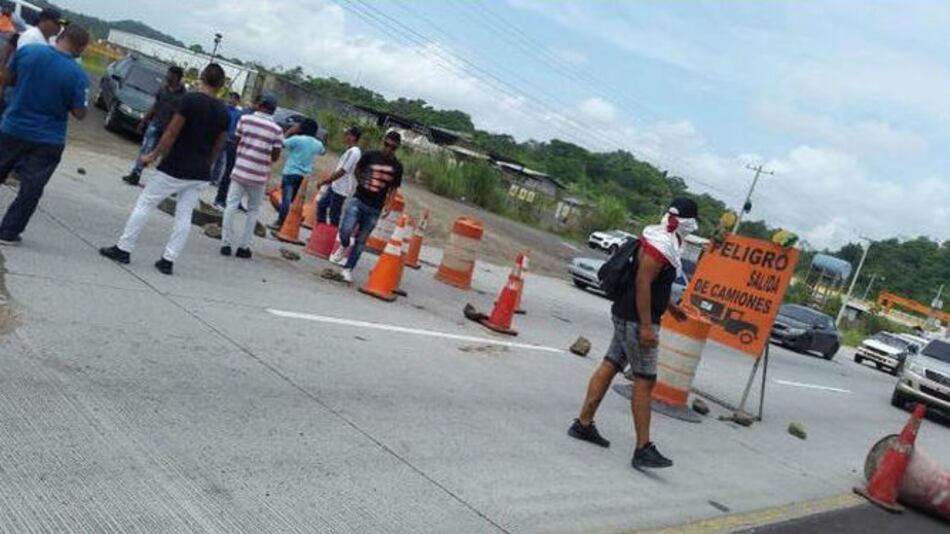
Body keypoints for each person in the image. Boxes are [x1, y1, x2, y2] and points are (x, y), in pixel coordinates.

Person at [567, 198, 700, 471]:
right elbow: (642, 281)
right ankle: (643, 448)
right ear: (686, 221)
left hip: (628, 314)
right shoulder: (660, 244)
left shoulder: (662, 236)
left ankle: (583, 423)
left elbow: (650, 283)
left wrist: (670, 307)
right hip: (638, 321)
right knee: (645, 381)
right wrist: (648, 326)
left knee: (611, 363)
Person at [99, 64, 229, 275]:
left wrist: (153, 154)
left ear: (202, 77)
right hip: (200, 171)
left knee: (146, 203)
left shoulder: (189, 101)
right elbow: (218, 145)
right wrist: (207, 165)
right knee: (184, 215)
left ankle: (124, 247)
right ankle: (168, 259)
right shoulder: (224, 112)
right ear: (221, 85)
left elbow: (171, 133)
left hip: (176, 164)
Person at [0, 25, 89, 246]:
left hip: (13, 127)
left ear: (60, 37)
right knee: (31, 188)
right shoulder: (78, 75)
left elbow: (8, 78)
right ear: (80, 48)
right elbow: (80, 113)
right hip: (49, 138)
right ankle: (8, 233)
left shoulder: (29, 52)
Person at [322, 130, 403, 283]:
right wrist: (362, 183)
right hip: (358, 200)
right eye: (386, 145)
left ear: (397, 148)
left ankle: (347, 269)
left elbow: (393, 188)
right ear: (383, 142)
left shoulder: (397, 167)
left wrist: (389, 205)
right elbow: (358, 169)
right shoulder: (370, 156)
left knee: (361, 242)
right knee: (345, 230)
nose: (388, 149)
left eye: (392, 147)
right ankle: (344, 245)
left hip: (375, 208)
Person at [219, 93, 283, 259]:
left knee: (231, 205)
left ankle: (225, 244)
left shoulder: (245, 119)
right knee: (253, 211)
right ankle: (244, 247)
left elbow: (237, 141)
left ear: (260, 105)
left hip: (240, 169)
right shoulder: (277, 130)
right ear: (273, 110)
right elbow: (275, 156)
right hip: (259, 175)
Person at [122, 65, 186, 186]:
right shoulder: (163, 89)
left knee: (165, 156)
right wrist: (143, 121)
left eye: (170, 74)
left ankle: (162, 181)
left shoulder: (183, 95)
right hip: (155, 124)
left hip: (169, 129)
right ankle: (135, 174)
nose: (167, 76)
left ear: (177, 77)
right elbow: (155, 106)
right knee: (145, 149)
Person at [271, 118, 324, 229]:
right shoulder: (317, 144)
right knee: (294, 201)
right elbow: (323, 151)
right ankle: (290, 220)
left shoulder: (297, 139)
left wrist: (290, 131)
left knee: (286, 199)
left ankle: (281, 222)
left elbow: (281, 143)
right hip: (304, 177)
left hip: (290, 172)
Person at [316, 126, 361, 227]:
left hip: (341, 188)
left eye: (347, 134)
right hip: (336, 185)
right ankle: (322, 232)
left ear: (353, 137)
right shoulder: (350, 150)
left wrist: (325, 181)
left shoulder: (353, 152)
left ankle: (330, 235)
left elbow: (343, 171)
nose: (345, 136)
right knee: (322, 205)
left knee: (334, 214)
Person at [212, 91, 243, 208]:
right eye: (230, 98)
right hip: (220, 137)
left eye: (234, 99)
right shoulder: (223, 109)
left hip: (230, 140)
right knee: (215, 157)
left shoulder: (238, 114)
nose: (231, 100)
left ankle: (215, 179)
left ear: (237, 101)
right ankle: (210, 176)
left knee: (223, 163)